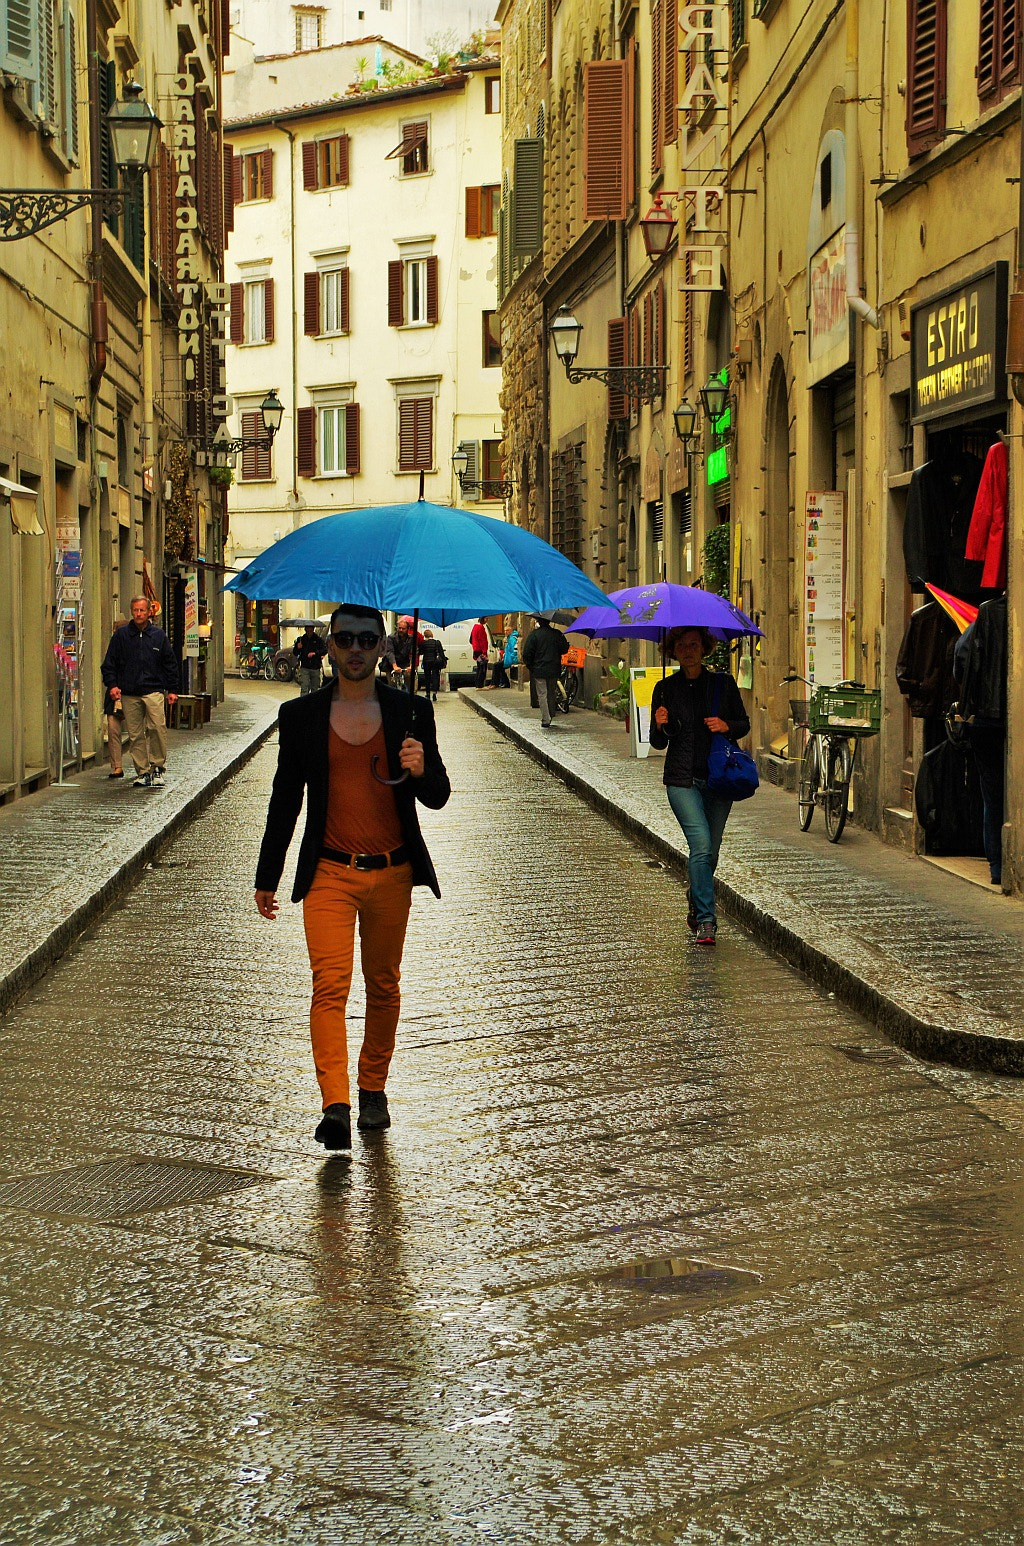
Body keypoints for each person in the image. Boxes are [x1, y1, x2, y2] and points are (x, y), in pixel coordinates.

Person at [254, 604, 451, 1153]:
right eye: (346, 640)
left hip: (392, 872)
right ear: (331, 647)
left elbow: (437, 796)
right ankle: (335, 1105)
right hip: (329, 872)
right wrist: (268, 874)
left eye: (367, 638)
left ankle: (373, 1088)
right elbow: (284, 800)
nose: (357, 649)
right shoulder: (302, 716)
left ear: (383, 645)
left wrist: (420, 768)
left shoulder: (411, 712)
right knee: (329, 985)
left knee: (384, 987)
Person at [649, 627, 750, 946]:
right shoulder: (663, 688)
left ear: (704, 648)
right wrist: (658, 723)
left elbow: (743, 723)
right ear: (672, 650)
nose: (688, 650)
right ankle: (707, 920)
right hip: (681, 779)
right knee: (702, 846)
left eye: (694, 644)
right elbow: (657, 743)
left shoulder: (723, 683)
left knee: (710, 852)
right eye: (681, 645)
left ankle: (696, 897)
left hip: (720, 778)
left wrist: (726, 725)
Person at [100, 596, 179, 788]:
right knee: (135, 734)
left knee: (157, 728)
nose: (138, 614)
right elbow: (109, 663)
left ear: (149, 612)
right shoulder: (121, 636)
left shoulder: (158, 636)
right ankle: (142, 771)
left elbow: (170, 663)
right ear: (131, 612)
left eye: (142, 610)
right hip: (129, 692)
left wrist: (172, 689)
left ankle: (158, 767)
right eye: (135, 610)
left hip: (153, 690)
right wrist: (113, 685)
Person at [522, 615, 569, 727]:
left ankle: (545, 718)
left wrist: (531, 667)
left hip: (539, 669)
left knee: (542, 694)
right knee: (551, 692)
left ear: (538, 622)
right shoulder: (556, 634)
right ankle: (551, 714)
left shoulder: (534, 635)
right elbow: (564, 649)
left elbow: (527, 653)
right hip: (553, 668)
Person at [102, 616, 128, 778]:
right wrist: (112, 685)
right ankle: (117, 765)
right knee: (113, 731)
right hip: (115, 696)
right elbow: (107, 667)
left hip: (133, 694)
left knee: (137, 732)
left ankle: (143, 766)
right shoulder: (113, 649)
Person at [293, 624, 327, 696]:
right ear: (305, 630)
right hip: (305, 666)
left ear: (313, 629)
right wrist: (297, 647)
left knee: (315, 687)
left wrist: (315, 653)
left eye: (310, 630)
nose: (309, 631)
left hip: (315, 666)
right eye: (307, 630)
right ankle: (304, 703)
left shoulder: (318, 639)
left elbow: (324, 650)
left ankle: (313, 703)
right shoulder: (301, 639)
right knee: (304, 687)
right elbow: (295, 653)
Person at [420, 629, 446, 700]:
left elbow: (421, 652)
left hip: (426, 662)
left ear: (425, 635)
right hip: (435, 662)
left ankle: (427, 694)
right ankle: (434, 693)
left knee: (427, 677)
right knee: (435, 677)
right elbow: (441, 653)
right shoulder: (437, 642)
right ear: (432, 635)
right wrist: (444, 661)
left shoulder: (423, 643)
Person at [470, 617, 489, 688]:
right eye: (486, 618)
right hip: (481, 650)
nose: (487, 620)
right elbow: (482, 641)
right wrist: (484, 653)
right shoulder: (480, 628)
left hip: (476, 650)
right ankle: (480, 685)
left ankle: (478, 684)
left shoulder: (474, 627)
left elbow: (471, 639)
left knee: (479, 667)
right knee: (483, 667)